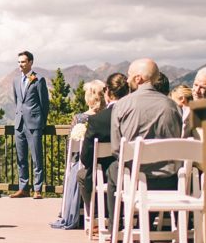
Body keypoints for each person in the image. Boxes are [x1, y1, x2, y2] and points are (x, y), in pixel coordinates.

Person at [107, 59, 182, 227]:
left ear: (139, 78)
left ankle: (116, 230)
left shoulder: (122, 105)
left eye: (129, 75)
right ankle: (146, 225)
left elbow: (117, 149)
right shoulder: (172, 106)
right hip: (169, 180)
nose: (127, 80)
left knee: (113, 169)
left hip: (134, 179)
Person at [51, 79, 106, 229]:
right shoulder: (109, 117)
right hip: (106, 165)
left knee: (74, 169)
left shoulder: (80, 118)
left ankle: (73, 210)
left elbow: (71, 148)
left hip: (84, 164)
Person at [75, 74, 128, 227]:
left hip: (103, 172)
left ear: (108, 94)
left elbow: (85, 158)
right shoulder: (135, 114)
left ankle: (96, 217)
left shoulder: (97, 120)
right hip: (133, 172)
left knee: (83, 175)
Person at [10, 50, 49, 199]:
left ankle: (37, 189)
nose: (20, 64)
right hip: (19, 124)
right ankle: (23, 188)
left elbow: (44, 103)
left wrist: (41, 122)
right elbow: (17, 101)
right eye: (19, 62)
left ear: (31, 62)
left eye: (23, 62)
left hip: (34, 124)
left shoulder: (38, 79)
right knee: (21, 158)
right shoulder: (15, 80)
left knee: (36, 158)